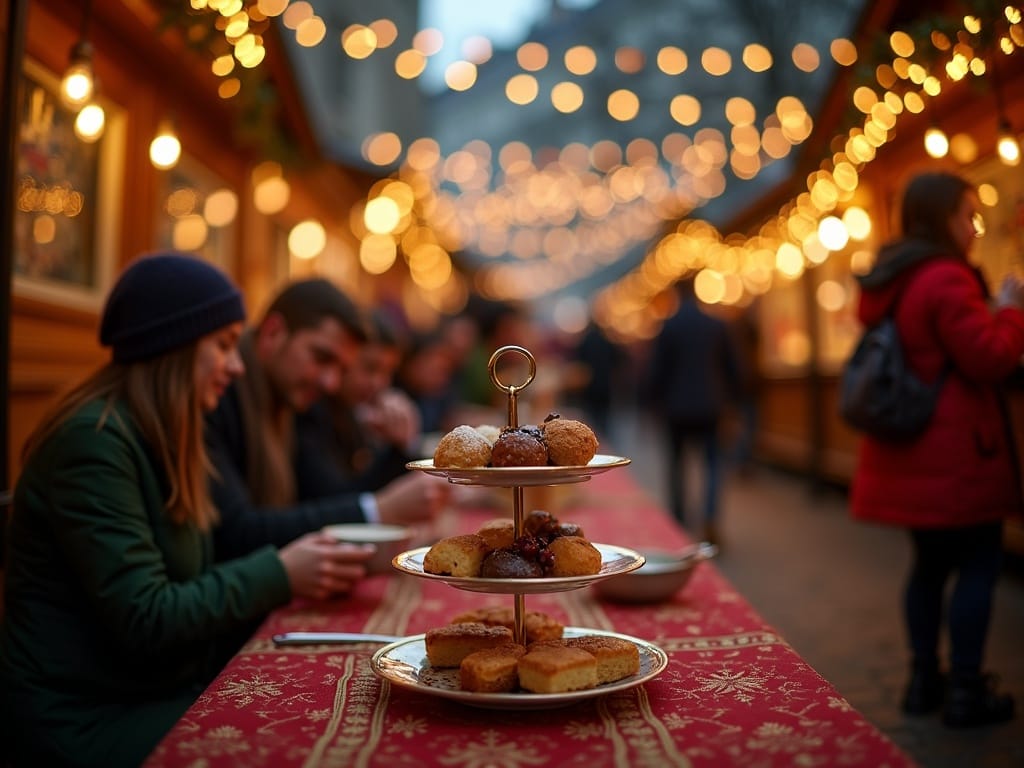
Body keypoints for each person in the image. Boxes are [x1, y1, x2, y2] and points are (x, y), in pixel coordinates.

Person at [0, 253, 375, 768]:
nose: (237, 364)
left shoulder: (166, 432)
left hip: (155, 688)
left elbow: (191, 577)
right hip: (87, 719)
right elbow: (145, 618)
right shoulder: (94, 443)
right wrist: (279, 573)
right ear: (171, 347)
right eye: (223, 345)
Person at [850, 171, 1024, 728]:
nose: (973, 226)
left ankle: (924, 681)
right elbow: (989, 358)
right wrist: (1011, 309)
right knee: (978, 564)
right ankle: (966, 692)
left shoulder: (894, 277)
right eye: (966, 215)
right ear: (941, 217)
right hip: (956, 454)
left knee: (927, 567)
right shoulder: (945, 277)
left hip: (912, 452)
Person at [206, 278, 445, 562]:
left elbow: (311, 505)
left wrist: (395, 452)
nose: (330, 383)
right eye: (321, 357)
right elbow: (236, 532)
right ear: (273, 333)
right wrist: (378, 509)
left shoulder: (288, 396)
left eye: (341, 369)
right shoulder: (217, 396)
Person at [645, 276, 742, 545]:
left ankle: (679, 521)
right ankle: (710, 518)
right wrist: (733, 403)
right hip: (712, 405)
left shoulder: (668, 326)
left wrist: (651, 403)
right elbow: (733, 368)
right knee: (713, 465)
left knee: (677, 466)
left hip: (675, 408)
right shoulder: (716, 324)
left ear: (677, 294)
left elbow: (657, 371)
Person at [295, 309, 421, 495]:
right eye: (370, 368)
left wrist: (396, 443)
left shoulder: (352, 412)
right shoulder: (310, 410)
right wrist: (395, 450)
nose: (379, 383)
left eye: (388, 372)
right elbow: (339, 498)